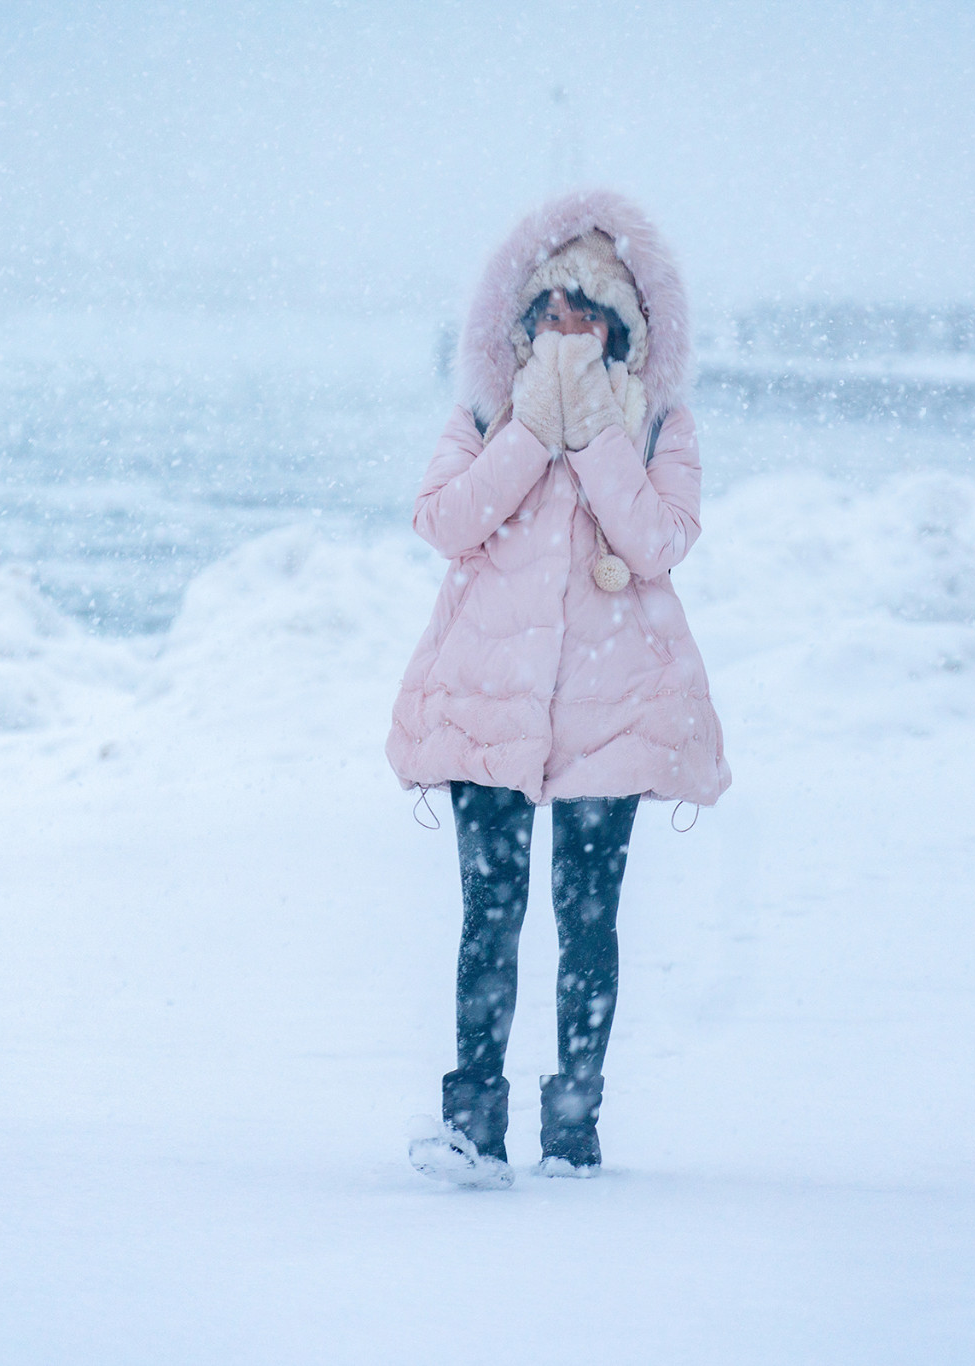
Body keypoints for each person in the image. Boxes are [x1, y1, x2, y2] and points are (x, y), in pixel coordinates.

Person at [387, 189, 732, 1187]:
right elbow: (446, 520)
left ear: (623, 328)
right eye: (550, 312)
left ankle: (573, 1130)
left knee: (587, 920)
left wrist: (594, 437)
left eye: (590, 315)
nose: (567, 331)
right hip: (486, 703)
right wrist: (532, 430)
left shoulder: (661, 424)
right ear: (523, 319)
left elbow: (659, 540)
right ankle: (470, 1129)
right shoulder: (482, 416)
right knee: (486, 914)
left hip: (610, 708)